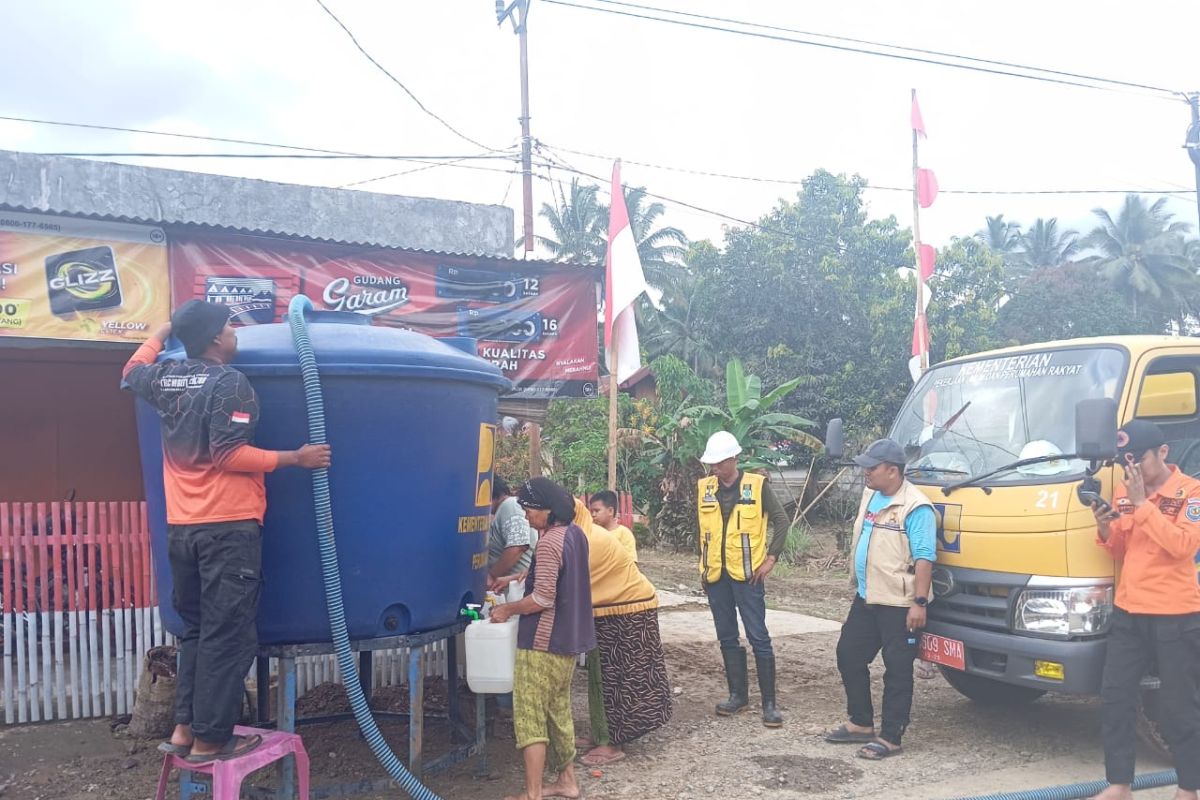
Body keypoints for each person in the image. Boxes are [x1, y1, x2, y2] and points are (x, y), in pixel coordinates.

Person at [122, 300, 330, 762]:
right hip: (227, 530)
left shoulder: (164, 377)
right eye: (230, 326)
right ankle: (212, 739)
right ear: (216, 338)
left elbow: (132, 368)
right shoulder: (230, 384)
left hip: (182, 528)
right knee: (228, 636)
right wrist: (295, 459)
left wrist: (162, 332)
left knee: (195, 632)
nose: (235, 332)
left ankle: (184, 728)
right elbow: (228, 455)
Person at [1089, 420, 1200, 800]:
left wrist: (1142, 504)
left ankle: (1189, 787)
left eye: (1139, 461)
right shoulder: (1124, 491)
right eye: (1126, 463)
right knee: (1116, 696)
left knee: (1178, 705)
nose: (1131, 471)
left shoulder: (1192, 492)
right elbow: (1121, 546)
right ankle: (1119, 784)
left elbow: (1183, 546)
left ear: (1164, 453)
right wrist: (1105, 528)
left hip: (1176, 614)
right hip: (1129, 610)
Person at [825, 438, 935, 761]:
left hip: (899, 603)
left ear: (893, 471)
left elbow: (925, 559)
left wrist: (920, 602)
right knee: (848, 654)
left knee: (897, 668)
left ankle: (891, 736)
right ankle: (860, 722)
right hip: (868, 596)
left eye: (872, 468)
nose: (866, 473)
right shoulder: (871, 496)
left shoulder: (916, 508)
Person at [491, 478, 595, 800]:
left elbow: (543, 599)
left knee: (530, 716)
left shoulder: (549, 543)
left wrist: (507, 609)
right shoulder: (574, 535)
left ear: (548, 510)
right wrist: (516, 576)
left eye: (529, 508)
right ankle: (567, 781)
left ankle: (533, 793)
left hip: (542, 644)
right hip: (568, 643)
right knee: (557, 711)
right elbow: (556, 577)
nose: (524, 515)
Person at [696, 430, 789, 727]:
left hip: (748, 577)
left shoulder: (756, 486)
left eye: (720, 463)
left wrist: (771, 558)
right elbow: (704, 531)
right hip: (716, 577)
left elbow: (781, 521)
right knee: (726, 637)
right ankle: (738, 695)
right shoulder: (705, 488)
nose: (715, 468)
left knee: (758, 637)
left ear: (734, 459)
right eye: (712, 463)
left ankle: (769, 704)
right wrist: (703, 567)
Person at [571, 499, 672, 766]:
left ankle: (614, 743)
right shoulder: (579, 534)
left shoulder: (586, 539)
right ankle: (602, 734)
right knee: (598, 675)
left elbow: (565, 584)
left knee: (621, 678)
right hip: (606, 609)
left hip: (628, 610)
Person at [487, 476, 538, 590]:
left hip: (517, 589)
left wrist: (492, 575)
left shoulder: (509, 505)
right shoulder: (501, 510)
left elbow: (518, 546)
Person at [588, 490, 638, 562]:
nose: (593, 515)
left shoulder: (624, 533)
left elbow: (631, 563)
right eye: (591, 511)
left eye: (597, 511)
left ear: (610, 511)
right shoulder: (591, 533)